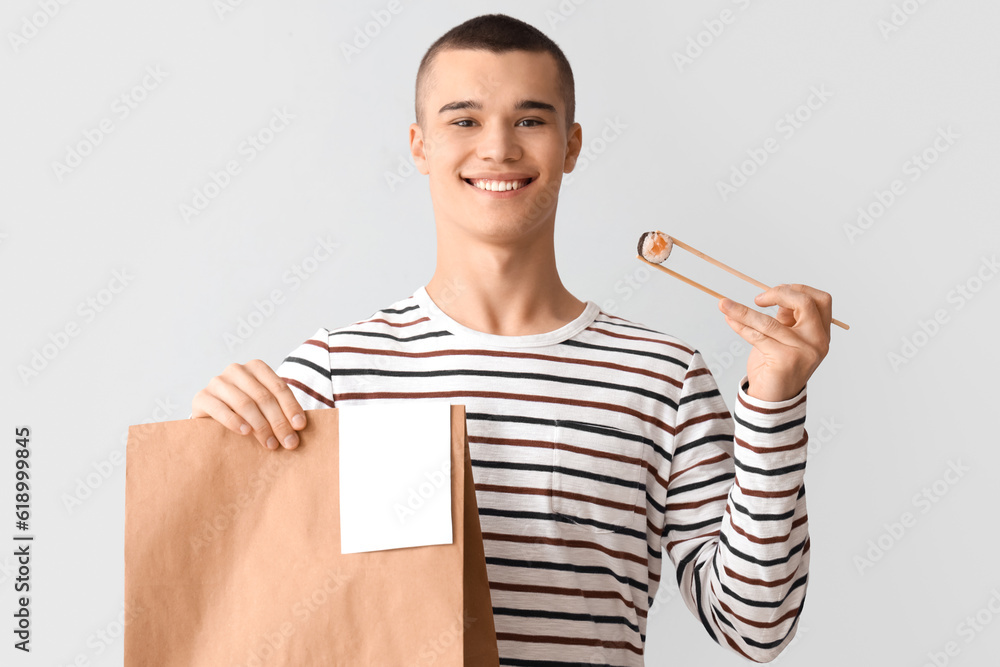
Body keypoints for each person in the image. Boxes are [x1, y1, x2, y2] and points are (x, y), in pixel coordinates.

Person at [191, 13, 833, 665]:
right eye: (463, 120)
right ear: (419, 146)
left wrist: (775, 406)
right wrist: (212, 453)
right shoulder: (335, 372)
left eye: (529, 119)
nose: (497, 148)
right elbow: (235, 606)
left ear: (572, 144)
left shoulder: (664, 378)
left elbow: (756, 625)